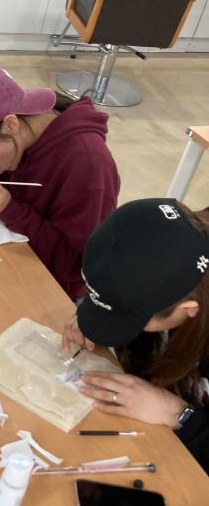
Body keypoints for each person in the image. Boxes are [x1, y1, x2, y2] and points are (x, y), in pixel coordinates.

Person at [0, 65, 120, 300]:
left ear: (11, 125)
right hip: (17, 254)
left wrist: (10, 210)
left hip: (54, 291)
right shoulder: (25, 129)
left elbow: (75, 267)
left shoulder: (87, 165)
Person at [63, 198, 209, 474]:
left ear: (189, 308)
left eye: (132, 318)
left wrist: (179, 414)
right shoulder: (164, 247)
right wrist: (100, 311)